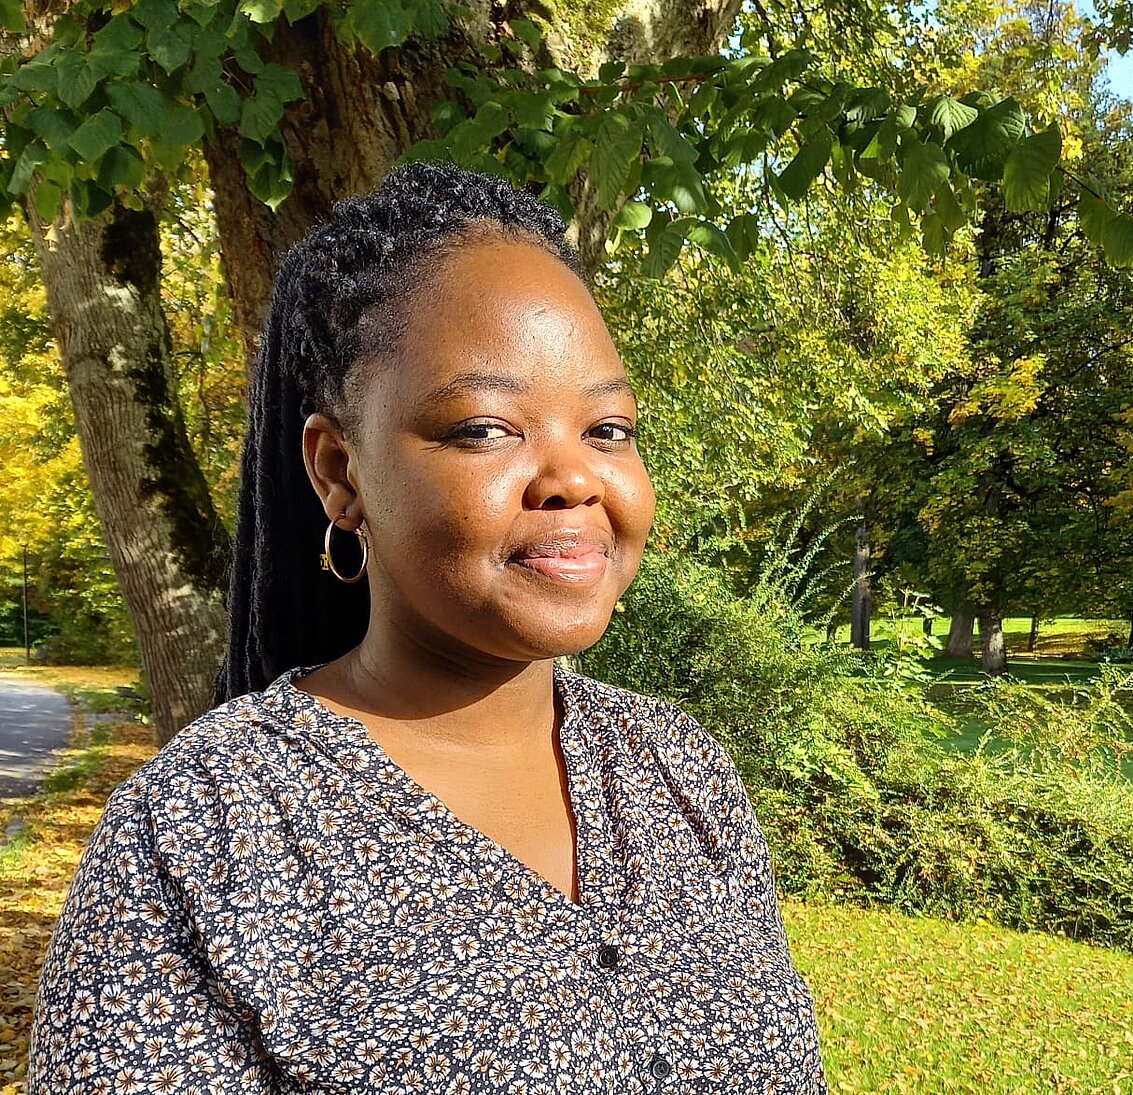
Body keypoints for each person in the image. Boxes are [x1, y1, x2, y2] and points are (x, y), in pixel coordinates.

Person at [27, 162, 827, 1093]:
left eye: (607, 428)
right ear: (340, 471)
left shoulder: (679, 770)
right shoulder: (200, 838)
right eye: (486, 428)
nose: (573, 476)